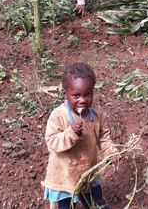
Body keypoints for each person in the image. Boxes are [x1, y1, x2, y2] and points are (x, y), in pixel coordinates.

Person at [43, 63, 121, 208]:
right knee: (65, 205)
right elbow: (52, 141)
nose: (83, 100)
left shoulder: (96, 112)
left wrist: (110, 152)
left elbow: (103, 136)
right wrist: (70, 133)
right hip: (64, 177)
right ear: (64, 93)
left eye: (88, 94)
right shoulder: (58, 116)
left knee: (95, 203)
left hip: (88, 173)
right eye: (76, 95)